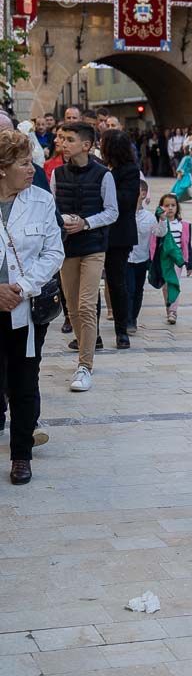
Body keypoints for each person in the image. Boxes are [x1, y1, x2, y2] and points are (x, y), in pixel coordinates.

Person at [0, 130, 64, 484]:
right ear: (2, 168)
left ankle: (21, 454)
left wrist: (21, 288)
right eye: (24, 163)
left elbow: (54, 252)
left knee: (25, 380)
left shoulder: (41, 200)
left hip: (25, 310)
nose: (32, 168)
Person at [52, 123, 119, 392]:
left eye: (69, 139)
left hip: (93, 247)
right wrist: (62, 222)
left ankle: (84, 366)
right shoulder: (57, 173)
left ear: (86, 145)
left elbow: (112, 212)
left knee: (86, 306)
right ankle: (83, 353)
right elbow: (52, 208)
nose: (63, 143)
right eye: (62, 138)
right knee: (71, 308)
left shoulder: (104, 175)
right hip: (66, 248)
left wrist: (86, 223)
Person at [100, 129, 140, 351]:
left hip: (119, 234)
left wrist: (105, 184)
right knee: (90, 286)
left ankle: (121, 331)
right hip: (97, 231)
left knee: (117, 283)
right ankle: (90, 334)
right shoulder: (100, 167)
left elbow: (126, 200)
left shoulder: (129, 170)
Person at [149, 193, 192, 325]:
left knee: (173, 283)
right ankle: (169, 308)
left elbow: (187, 245)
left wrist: (189, 264)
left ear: (177, 208)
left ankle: (173, 311)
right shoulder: (158, 225)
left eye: (173, 205)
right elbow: (153, 244)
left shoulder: (183, 226)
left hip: (176, 261)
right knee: (165, 286)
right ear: (161, 208)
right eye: (166, 205)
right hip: (163, 260)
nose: (170, 208)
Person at [126, 179, 156, 334]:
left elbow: (159, 233)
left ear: (143, 194)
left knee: (138, 290)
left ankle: (133, 318)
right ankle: (127, 320)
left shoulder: (149, 217)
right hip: (126, 258)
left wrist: (163, 221)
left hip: (142, 259)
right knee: (128, 289)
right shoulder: (123, 214)